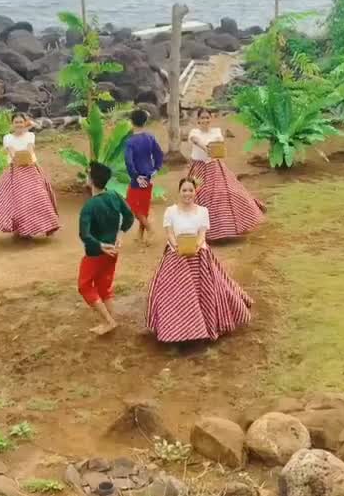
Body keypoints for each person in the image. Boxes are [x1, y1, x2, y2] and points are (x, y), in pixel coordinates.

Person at [145, 177, 253, 343]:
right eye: (184, 190)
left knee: (208, 292)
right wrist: (178, 247)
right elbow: (169, 234)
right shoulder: (170, 211)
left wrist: (196, 246)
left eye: (190, 190)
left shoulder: (203, 211)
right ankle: (175, 330)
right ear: (179, 192)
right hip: (176, 256)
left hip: (199, 256)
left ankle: (203, 329)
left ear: (195, 192)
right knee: (173, 294)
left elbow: (202, 234)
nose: (187, 193)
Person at [0, 113, 60, 239]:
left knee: (40, 197)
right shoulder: (8, 138)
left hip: (31, 169)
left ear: (24, 123)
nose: (19, 124)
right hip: (15, 171)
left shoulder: (30, 135)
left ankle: (47, 225)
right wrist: (19, 157)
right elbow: (11, 152)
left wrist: (27, 155)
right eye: (16, 122)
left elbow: (30, 149)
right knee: (16, 201)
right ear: (12, 124)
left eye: (21, 122)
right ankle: (21, 229)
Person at [187, 108, 265, 240]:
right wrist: (207, 148)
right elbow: (196, 141)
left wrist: (214, 150)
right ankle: (199, 232)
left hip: (215, 167)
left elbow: (220, 146)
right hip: (199, 168)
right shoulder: (194, 132)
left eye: (207, 117)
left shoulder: (216, 132)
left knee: (228, 193)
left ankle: (227, 229)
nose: (205, 120)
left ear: (211, 119)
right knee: (200, 196)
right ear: (198, 120)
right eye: (202, 118)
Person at [78, 162, 135, 336]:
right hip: (113, 251)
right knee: (104, 286)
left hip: (96, 253)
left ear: (91, 180)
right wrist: (120, 234)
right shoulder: (114, 196)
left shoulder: (89, 206)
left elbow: (84, 235)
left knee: (85, 286)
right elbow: (129, 217)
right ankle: (111, 320)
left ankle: (108, 321)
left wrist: (100, 245)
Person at [123, 108, 165, 244]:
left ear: (131, 122)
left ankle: (149, 229)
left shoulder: (130, 142)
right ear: (145, 121)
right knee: (143, 206)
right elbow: (159, 154)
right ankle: (140, 234)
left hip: (138, 177)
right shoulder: (150, 137)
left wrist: (135, 176)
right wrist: (156, 169)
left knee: (132, 205)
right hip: (149, 175)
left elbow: (129, 162)